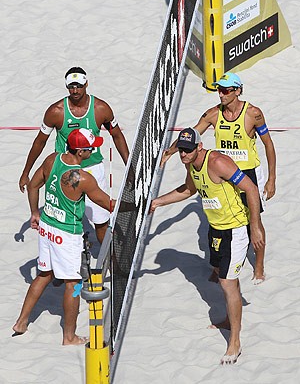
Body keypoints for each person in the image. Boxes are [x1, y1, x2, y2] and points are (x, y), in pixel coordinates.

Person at [151, 127, 265, 364]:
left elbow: (251, 189)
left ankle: (235, 341)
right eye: (181, 150)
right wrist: (158, 202)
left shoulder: (218, 162)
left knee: (227, 282)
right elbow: (189, 190)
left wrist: (254, 227)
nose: (183, 154)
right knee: (222, 275)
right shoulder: (189, 163)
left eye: (188, 150)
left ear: (199, 147)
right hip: (215, 228)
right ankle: (228, 318)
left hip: (235, 229)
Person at [160, 72, 276, 284]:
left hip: (248, 173)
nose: (220, 94)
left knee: (254, 220)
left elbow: (268, 144)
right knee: (219, 222)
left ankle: (259, 266)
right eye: (218, 90)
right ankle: (220, 267)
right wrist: (169, 151)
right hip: (223, 174)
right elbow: (191, 134)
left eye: (225, 90)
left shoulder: (253, 113)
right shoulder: (213, 114)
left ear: (238, 91)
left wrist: (271, 179)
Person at [13, 129, 115, 345]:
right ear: (80, 151)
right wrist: (135, 205)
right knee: (73, 284)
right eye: (90, 147)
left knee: (44, 275)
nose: (93, 149)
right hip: (67, 234)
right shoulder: (82, 178)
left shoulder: (52, 159)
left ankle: (21, 322)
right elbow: (107, 204)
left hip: (46, 227)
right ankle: (69, 336)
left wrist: (34, 213)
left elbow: (33, 185)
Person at [19, 66, 129, 244]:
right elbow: (39, 142)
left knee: (101, 220)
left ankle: (111, 260)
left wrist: (129, 165)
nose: (75, 90)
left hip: (92, 168)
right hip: (65, 168)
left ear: (86, 84)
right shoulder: (56, 111)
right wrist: (26, 172)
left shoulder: (101, 108)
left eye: (78, 85)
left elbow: (117, 135)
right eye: (71, 86)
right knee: (65, 221)